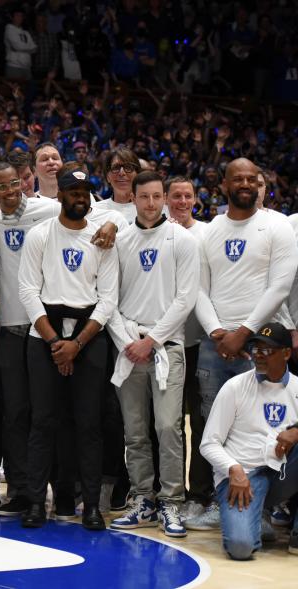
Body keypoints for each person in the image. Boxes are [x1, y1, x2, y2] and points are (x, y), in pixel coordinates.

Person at [189, 158, 298, 531]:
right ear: (224, 185)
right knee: (212, 426)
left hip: (264, 341)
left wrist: (244, 332)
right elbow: (198, 288)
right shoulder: (208, 231)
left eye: (253, 178)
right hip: (216, 342)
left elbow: (280, 287)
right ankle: (217, 500)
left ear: (261, 183)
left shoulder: (277, 226)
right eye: (239, 178)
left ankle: (263, 505)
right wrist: (218, 329)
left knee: (263, 425)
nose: (247, 183)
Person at [17, 168, 119, 531]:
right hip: (45, 332)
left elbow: (108, 299)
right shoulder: (40, 235)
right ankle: (34, 502)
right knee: (42, 422)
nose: (79, 197)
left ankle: (91, 505)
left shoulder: (103, 238)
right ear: (59, 194)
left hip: (88, 336)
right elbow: (28, 291)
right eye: (72, 191)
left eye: (84, 191)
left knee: (89, 424)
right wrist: (55, 342)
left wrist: (75, 345)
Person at [106, 171, 199, 538]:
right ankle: (143, 498)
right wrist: (129, 339)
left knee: (168, 428)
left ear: (164, 197)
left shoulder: (182, 239)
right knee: (135, 431)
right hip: (129, 347)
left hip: (167, 347)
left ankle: (171, 502)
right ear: (133, 199)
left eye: (156, 196)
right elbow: (108, 297)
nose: (150, 203)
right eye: (143, 197)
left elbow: (186, 297)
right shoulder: (120, 241)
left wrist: (153, 340)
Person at [0, 160, 60, 517]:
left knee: (47, 414)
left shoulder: (49, 210)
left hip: (43, 327)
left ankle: (59, 487)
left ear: (25, 181)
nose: (11, 191)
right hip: (9, 330)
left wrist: (106, 222)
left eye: (15, 182)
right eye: (2, 186)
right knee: (14, 413)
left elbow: (90, 215)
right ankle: (20, 489)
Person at [199, 322, 298, 559]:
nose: (258, 357)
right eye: (255, 350)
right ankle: (254, 518)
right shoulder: (234, 387)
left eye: (267, 351)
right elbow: (208, 443)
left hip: (281, 473)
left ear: (286, 353)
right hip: (242, 476)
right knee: (240, 548)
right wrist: (234, 469)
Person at [166, 175, 213, 518]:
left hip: (198, 342)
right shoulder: (158, 233)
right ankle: (167, 491)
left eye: (187, 196)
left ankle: (199, 493)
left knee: (198, 422)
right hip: (164, 343)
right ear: (165, 199)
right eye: (176, 196)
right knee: (166, 425)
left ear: (195, 199)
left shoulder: (207, 233)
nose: (182, 202)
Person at [93, 147, 140, 222]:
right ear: (108, 177)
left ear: (137, 175)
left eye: (128, 167)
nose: (122, 173)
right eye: (116, 168)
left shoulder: (149, 209)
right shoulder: (95, 210)